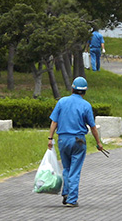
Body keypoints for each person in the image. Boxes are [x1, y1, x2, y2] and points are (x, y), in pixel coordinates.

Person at [48, 77, 104, 207]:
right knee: (75, 170)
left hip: (62, 140)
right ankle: (72, 200)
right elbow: (93, 127)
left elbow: (54, 122)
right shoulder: (86, 105)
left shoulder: (62, 102)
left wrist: (50, 139)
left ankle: (66, 193)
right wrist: (99, 143)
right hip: (78, 141)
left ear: (72, 89)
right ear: (84, 92)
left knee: (66, 168)